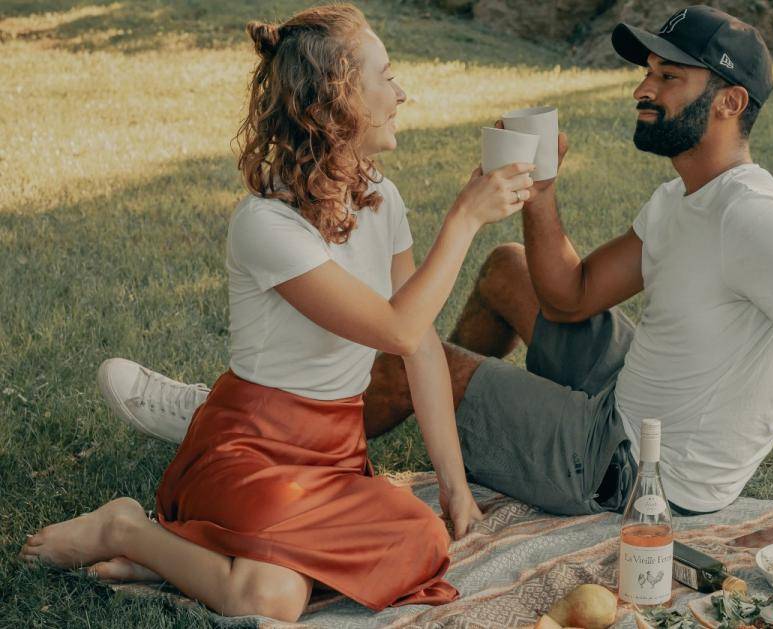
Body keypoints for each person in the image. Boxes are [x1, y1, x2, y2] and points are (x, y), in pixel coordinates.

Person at [95, 5, 773, 548]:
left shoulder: (757, 217)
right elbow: (568, 294)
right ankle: (432, 400)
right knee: (508, 269)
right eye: (648, 72)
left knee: (409, 355)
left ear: (729, 103)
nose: (643, 90)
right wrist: (540, 193)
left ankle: (245, 427)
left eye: (668, 78)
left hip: (634, 464)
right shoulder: (683, 201)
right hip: (636, 391)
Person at [19, 4, 537, 622]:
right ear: (335, 103)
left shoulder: (382, 198)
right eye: (386, 77)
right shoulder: (266, 224)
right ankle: (126, 529)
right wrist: (465, 219)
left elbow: (420, 345)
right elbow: (397, 330)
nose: (402, 93)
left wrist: (455, 491)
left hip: (336, 457)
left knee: (424, 538)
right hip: (251, 450)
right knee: (272, 597)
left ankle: (186, 558)